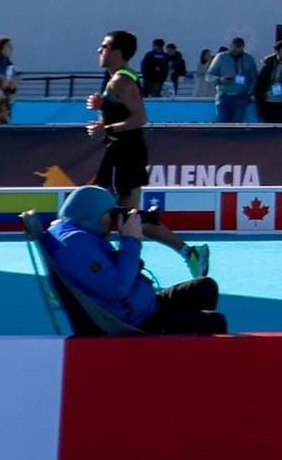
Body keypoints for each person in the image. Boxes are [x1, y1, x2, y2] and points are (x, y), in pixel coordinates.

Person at [86, 31, 209, 279]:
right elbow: (121, 112)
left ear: (118, 52)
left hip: (126, 155)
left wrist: (105, 128)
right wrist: (104, 108)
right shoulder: (113, 80)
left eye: (105, 46)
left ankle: (117, 272)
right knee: (122, 217)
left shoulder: (122, 81)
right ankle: (186, 254)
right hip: (119, 153)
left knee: (116, 217)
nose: (99, 50)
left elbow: (140, 118)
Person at [42, 186, 225, 335]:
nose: (111, 223)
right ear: (93, 214)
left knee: (205, 287)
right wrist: (130, 241)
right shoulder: (74, 243)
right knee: (214, 321)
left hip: (141, 304)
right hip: (135, 320)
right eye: (109, 215)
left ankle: (185, 347)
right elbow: (117, 288)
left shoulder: (76, 233)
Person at [208, 37, 257, 123]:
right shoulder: (220, 57)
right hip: (223, 96)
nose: (236, 50)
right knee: (222, 124)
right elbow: (209, 75)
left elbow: (254, 78)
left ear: (243, 48)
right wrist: (220, 79)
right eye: (234, 48)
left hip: (241, 97)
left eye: (239, 48)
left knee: (237, 126)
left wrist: (249, 93)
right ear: (230, 46)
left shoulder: (249, 59)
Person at [0, 36, 19, 122]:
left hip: (7, 100)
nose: (11, 48)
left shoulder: (9, 64)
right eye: (8, 46)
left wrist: (13, 87)